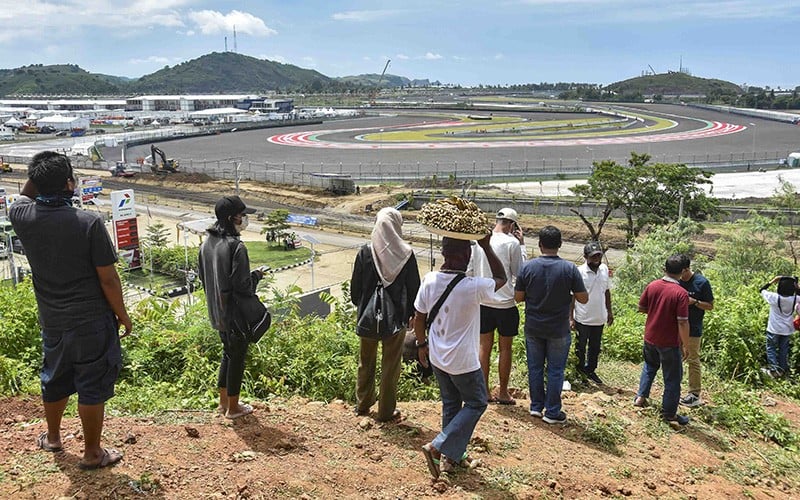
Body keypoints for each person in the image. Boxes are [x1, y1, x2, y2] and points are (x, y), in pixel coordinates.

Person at [9, 151, 131, 470]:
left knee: (55, 378)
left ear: (35, 182)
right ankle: (92, 453)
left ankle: (52, 438)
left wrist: (39, 173)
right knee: (91, 384)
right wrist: (123, 315)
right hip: (92, 321)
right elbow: (108, 278)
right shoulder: (87, 222)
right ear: (69, 184)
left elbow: (25, 194)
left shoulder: (20, 214)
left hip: (53, 320)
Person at [415, 236, 506, 479]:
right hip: (463, 361)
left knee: (451, 403)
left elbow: (419, 317)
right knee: (477, 403)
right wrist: (486, 245)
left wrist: (422, 344)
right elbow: (502, 279)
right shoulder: (472, 286)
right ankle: (438, 445)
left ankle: (449, 458)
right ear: (466, 256)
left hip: (437, 356)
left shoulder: (430, 280)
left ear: (444, 253)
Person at [198, 195, 266, 420]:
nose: (245, 219)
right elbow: (242, 286)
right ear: (231, 218)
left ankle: (223, 402)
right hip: (235, 313)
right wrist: (256, 276)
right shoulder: (237, 246)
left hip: (216, 312)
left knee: (228, 353)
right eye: (242, 215)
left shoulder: (206, 243)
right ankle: (234, 408)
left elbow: (203, 278)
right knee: (237, 357)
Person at [351, 207, 420, 422]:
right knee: (391, 366)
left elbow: (355, 289)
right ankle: (386, 411)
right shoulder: (406, 254)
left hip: (368, 318)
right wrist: (409, 314)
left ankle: (362, 405)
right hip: (396, 320)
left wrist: (363, 309)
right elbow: (414, 289)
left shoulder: (365, 252)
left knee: (366, 361)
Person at [515, 226, 588, 424]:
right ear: (560, 245)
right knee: (556, 370)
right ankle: (553, 412)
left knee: (535, 368)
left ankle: (536, 407)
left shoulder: (527, 267)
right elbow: (583, 298)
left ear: (539, 245)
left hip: (534, 327)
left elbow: (518, 297)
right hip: (558, 329)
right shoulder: (569, 269)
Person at [468, 208, 526, 404]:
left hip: (483, 302)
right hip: (506, 304)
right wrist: (522, 245)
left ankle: (483, 391)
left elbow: (470, 271)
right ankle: (502, 392)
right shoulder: (512, 243)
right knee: (505, 349)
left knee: (484, 346)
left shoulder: (479, 241)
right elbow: (519, 272)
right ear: (512, 225)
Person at [634, 254, 691, 427]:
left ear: (664, 269)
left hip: (650, 336)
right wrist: (686, 344)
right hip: (669, 341)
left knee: (649, 366)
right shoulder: (681, 293)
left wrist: (657, 313)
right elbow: (682, 321)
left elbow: (642, 308)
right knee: (673, 377)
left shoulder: (653, 285)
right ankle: (669, 414)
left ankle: (640, 397)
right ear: (682, 272)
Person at [570, 241, 613, 385]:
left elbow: (606, 291)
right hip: (582, 317)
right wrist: (570, 317)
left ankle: (591, 370)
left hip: (599, 317)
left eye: (598, 256)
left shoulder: (604, 269)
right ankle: (580, 371)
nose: (596, 260)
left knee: (595, 347)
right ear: (585, 257)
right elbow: (572, 296)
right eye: (593, 257)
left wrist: (609, 312)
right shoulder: (579, 272)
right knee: (580, 347)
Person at [677, 254, 714, 406]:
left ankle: (694, 394)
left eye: (680, 271)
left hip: (693, 327)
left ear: (687, 269)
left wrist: (695, 302)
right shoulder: (676, 281)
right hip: (677, 326)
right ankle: (674, 389)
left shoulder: (702, 282)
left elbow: (710, 306)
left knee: (692, 359)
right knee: (676, 358)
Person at [759, 275, 798, 378]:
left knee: (771, 348)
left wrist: (772, 281)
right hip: (787, 329)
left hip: (773, 328)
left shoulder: (774, 297)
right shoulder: (796, 299)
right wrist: (796, 286)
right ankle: (783, 369)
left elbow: (761, 290)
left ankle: (774, 371)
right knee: (783, 349)